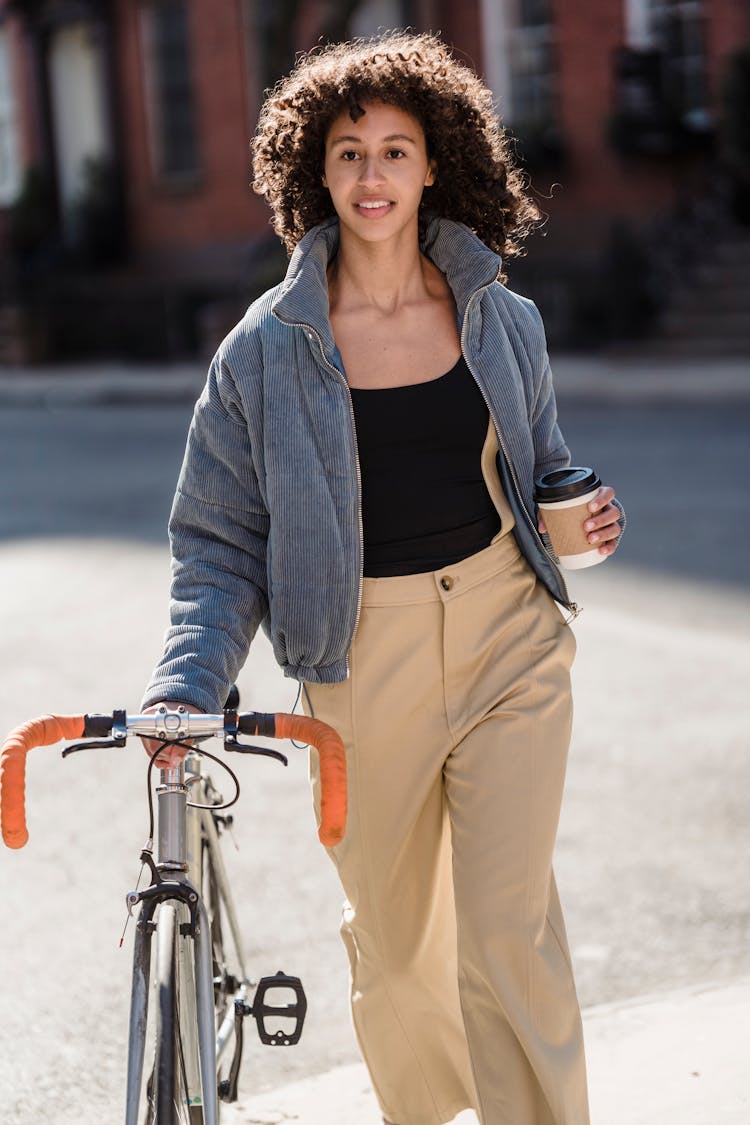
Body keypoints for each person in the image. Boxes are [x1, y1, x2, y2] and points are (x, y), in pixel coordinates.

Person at [142, 30, 624, 1125]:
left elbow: (548, 474)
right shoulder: (263, 353)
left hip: (509, 635)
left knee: (511, 929)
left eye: (396, 151)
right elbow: (217, 545)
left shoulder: (503, 318)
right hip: (363, 661)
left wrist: (587, 516)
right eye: (350, 151)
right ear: (313, 168)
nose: (373, 176)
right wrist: (188, 683)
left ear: (433, 166)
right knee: (401, 952)